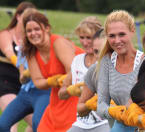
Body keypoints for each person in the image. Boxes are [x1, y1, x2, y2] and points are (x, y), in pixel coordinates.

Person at [22, 11, 84, 132]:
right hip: (58, 94)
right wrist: (53, 81)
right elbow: (38, 82)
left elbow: (74, 72)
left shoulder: (58, 43)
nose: (33, 33)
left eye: (37, 29)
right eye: (29, 31)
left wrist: (62, 84)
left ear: (47, 28)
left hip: (76, 91)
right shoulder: (31, 51)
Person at [58, 16, 110, 132]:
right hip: (82, 122)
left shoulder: (106, 61)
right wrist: (72, 90)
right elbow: (61, 94)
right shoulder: (77, 61)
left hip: (104, 121)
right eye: (82, 38)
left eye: (89, 38)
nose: (85, 42)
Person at [96, 10, 144, 132]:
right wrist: (114, 111)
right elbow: (101, 105)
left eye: (122, 34)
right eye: (112, 36)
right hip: (122, 123)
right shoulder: (107, 61)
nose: (117, 40)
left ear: (132, 31)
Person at [0, 2, 36, 132]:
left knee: (37, 123)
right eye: (26, 17)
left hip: (25, 86)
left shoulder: (33, 39)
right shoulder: (6, 34)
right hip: (5, 83)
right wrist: (21, 64)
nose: (29, 20)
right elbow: (9, 52)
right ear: (18, 17)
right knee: (10, 123)